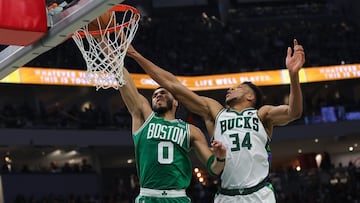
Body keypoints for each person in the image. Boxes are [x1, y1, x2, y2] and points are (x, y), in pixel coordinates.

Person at [126, 39, 305, 203]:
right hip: (227, 195)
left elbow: (293, 112)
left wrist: (294, 76)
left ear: (250, 96)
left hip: (259, 194)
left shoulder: (262, 115)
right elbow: (173, 85)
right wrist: (136, 56)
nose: (230, 89)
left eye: (237, 88)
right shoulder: (215, 111)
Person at [115, 66, 226, 202]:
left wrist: (220, 158)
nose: (158, 96)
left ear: (175, 102)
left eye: (163, 92)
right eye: (155, 95)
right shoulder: (145, 119)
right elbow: (124, 80)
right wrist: (110, 54)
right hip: (148, 196)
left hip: (177, 197)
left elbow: (214, 169)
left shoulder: (191, 130)